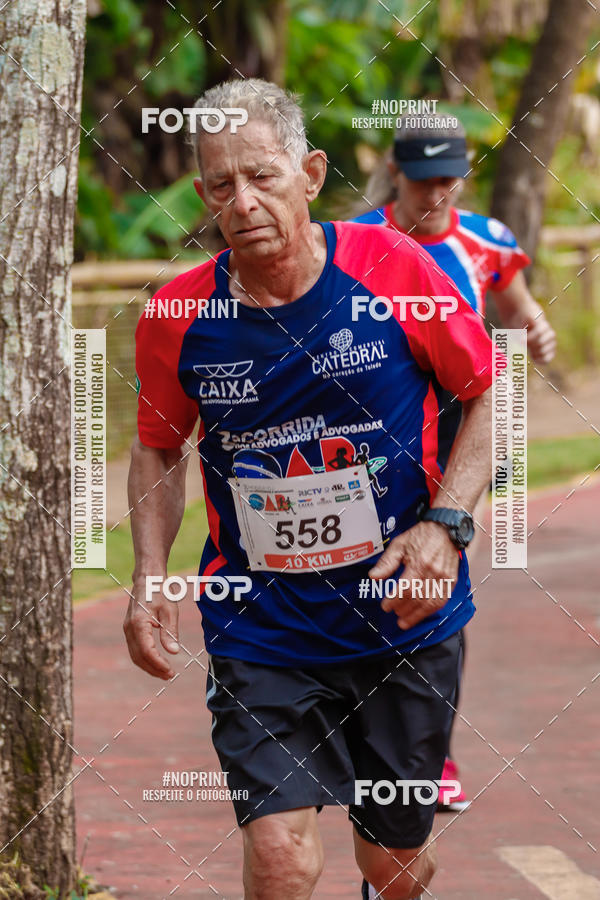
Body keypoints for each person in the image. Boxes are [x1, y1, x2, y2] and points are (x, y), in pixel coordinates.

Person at [124, 79, 495, 900]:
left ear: (311, 172)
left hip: (404, 615)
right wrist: (150, 577)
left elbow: (487, 395)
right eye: (222, 185)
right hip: (263, 629)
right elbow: (157, 449)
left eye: (262, 176)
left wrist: (446, 525)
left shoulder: (397, 271)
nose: (243, 201)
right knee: (283, 860)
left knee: (392, 866)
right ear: (202, 195)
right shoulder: (179, 313)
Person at [352, 117, 557, 812]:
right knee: (363, 560)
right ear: (396, 173)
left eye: (449, 178)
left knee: (441, 559)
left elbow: (516, 307)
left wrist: (537, 330)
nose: (437, 192)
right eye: (423, 179)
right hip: (382, 417)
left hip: (465, 417)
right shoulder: (363, 239)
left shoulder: (488, 240)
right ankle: (349, 727)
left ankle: (427, 751)